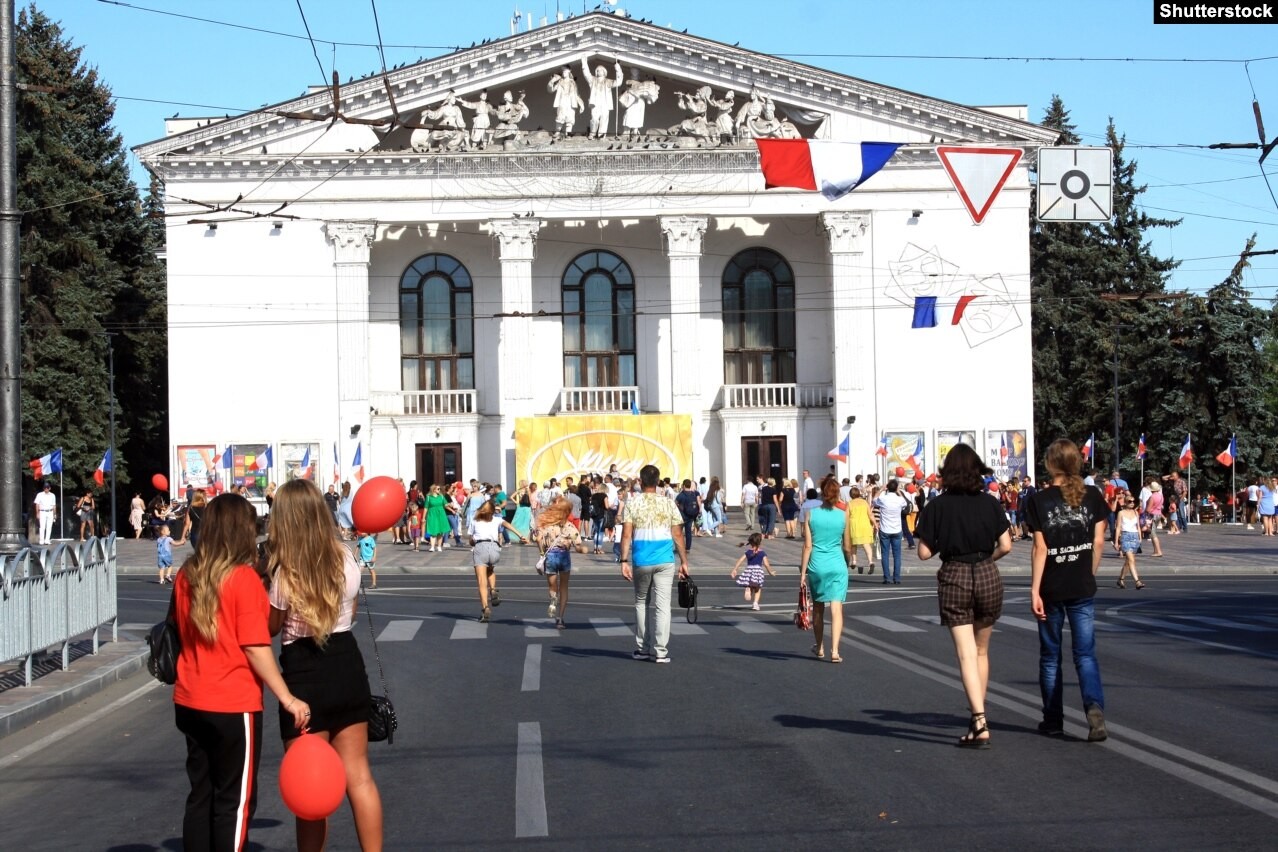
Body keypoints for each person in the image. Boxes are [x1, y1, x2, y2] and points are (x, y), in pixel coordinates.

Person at [172, 493, 310, 852]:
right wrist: (287, 697)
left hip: (189, 699)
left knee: (200, 795)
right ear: (240, 532)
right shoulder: (242, 579)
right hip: (233, 704)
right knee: (234, 802)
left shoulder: (187, 575)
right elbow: (255, 645)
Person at [266, 480, 383, 852]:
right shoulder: (346, 558)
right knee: (359, 777)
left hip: (304, 676)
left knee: (310, 787)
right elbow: (345, 613)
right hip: (347, 665)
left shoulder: (285, 574)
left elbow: (271, 628)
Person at [913, 443, 1013, 748]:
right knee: (982, 651)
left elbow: (924, 553)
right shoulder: (990, 503)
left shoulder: (938, 506)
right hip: (986, 572)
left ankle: (979, 719)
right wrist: (986, 559)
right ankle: (977, 718)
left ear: (948, 472)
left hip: (955, 574)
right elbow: (1006, 545)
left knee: (966, 653)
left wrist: (948, 542)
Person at [1024, 438, 1110, 742]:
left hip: (1051, 587)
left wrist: (1034, 590)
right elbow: (1099, 541)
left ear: (1051, 464)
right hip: (1081, 585)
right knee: (1085, 655)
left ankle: (1053, 719)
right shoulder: (1094, 496)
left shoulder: (1038, 500)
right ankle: (1094, 708)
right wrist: (1089, 572)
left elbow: (1040, 548)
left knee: (1050, 657)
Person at [619, 464, 689, 663]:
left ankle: (642, 648)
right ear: (658, 482)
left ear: (640, 482)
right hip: (665, 559)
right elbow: (677, 535)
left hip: (641, 559)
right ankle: (661, 651)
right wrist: (684, 561)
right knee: (663, 605)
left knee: (641, 602)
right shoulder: (668, 503)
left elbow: (626, 535)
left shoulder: (632, 503)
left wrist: (623, 561)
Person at [801, 477, 852, 662]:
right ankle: (835, 651)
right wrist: (847, 562)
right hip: (837, 565)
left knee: (818, 608)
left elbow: (807, 546)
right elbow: (847, 546)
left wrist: (802, 573)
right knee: (836, 608)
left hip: (817, 566)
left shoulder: (811, 514)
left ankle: (820, 646)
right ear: (837, 494)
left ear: (822, 492)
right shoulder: (843, 514)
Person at [469, 499, 527, 622]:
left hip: (480, 547)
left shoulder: (475, 520)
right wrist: (520, 535)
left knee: (481, 581)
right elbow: (508, 525)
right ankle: (494, 589)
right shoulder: (496, 520)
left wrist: (472, 542)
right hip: (495, 548)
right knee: (490, 570)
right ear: (492, 511)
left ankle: (485, 609)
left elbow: (471, 540)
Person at [535, 497, 587, 629]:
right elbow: (578, 544)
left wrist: (542, 552)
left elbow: (538, 539)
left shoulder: (547, 525)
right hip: (564, 556)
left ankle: (553, 600)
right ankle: (560, 618)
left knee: (552, 586)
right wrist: (582, 550)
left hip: (551, 556)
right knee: (564, 587)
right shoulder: (570, 527)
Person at [873, 480, 910, 584]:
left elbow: (874, 500)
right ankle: (897, 578)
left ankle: (887, 577)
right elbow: (905, 503)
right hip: (897, 529)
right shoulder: (899, 500)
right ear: (896, 488)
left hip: (885, 529)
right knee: (897, 555)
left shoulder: (883, 498)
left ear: (887, 488)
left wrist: (881, 489)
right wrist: (898, 491)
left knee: (885, 554)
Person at [731, 532, 777, 611]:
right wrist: (770, 572)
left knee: (750, 584)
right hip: (757, 571)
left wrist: (735, 569)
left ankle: (748, 588)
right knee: (758, 588)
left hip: (749, 570)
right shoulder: (762, 553)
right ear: (760, 542)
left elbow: (740, 560)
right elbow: (766, 564)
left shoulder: (748, 552)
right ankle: (755, 603)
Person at [579, 56, 623, 138]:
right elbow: (587, 74)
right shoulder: (592, 80)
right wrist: (584, 63)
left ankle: (601, 134)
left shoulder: (608, 81)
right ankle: (592, 133)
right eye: (597, 70)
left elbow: (619, 82)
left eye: (601, 70)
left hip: (605, 103)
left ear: (604, 72)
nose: (599, 71)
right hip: (595, 103)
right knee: (594, 119)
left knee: (604, 118)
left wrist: (618, 69)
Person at [1114, 494, 1146, 589]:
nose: (1132, 503)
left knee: (1128, 561)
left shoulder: (1136, 513)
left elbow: (1138, 527)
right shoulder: (1121, 513)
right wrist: (1116, 541)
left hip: (1135, 536)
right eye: (1129, 501)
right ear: (1125, 502)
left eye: (1133, 501)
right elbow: (1118, 527)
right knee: (1131, 560)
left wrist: (1140, 537)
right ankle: (1137, 581)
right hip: (1125, 536)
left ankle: (1121, 579)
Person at [846, 486, 876, 574]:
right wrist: (875, 524)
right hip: (865, 525)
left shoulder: (850, 503)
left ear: (851, 495)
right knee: (866, 545)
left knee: (853, 544)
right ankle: (870, 562)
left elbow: (846, 516)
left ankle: (854, 561)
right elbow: (870, 515)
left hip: (854, 526)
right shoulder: (864, 502)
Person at [675, 479, 701, 552]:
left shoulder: (681, 495)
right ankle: (688, 548)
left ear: (683, 485)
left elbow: (675, 503)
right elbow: (697, 502)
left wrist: (680, 507)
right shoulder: (693, 494)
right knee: (688, 532)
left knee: (679, 532)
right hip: (691, 515)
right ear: (690, 485)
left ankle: (679, 547)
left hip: (682, 516)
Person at [423, 484, 450, 552]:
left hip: (441, 514)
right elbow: (426, 507)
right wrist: (423, 517)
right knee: (433, 531)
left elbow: (446, 504)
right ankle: (432, 546)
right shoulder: (429, 497)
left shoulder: (441, 496)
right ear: (434, 489)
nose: (439, 490)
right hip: (432, 515)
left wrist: (450, 505)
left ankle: (439, 546)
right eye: (438, 489)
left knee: (440, 531)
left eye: (439, 489)